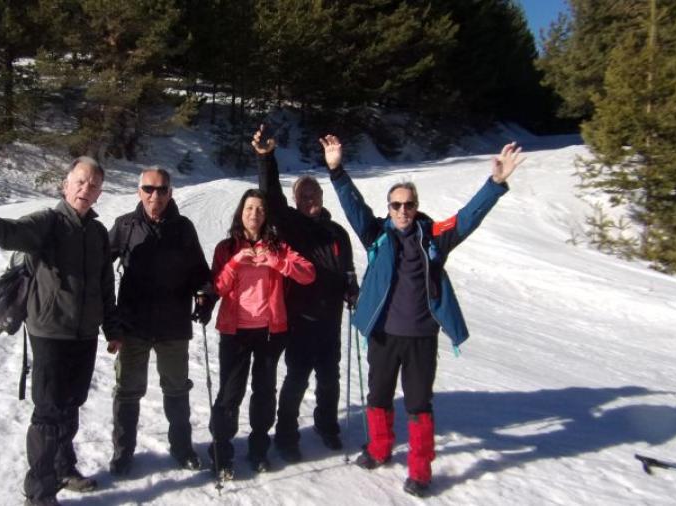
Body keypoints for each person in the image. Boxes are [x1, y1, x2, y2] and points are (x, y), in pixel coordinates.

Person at [319, 136, 525, 497]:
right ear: (389, 208)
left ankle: (419, 470)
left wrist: (495, 183)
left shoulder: (433, 237)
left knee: (418, 405)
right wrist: (336, 170)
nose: (402, 211)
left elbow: (467, 218)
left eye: (408, 205)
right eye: (396, 205)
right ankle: (379, 449)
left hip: (421, 338)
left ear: (416, 207)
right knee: (378, 397)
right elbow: (354, 207)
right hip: (383, 335)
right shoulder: (376, 235)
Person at [0, 157, 123, 506]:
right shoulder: (47, 222)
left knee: (72, 405)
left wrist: (112, 327)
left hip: (85, 334)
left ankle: (63, 468)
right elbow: (7, 233)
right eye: (80, 181)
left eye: (93, 185)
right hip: (50, 332)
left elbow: (105, 284)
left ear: (99, 192)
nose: (86, 189)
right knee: (49, 413)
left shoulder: (97, 233)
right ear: (66, 184)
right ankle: (39, 493)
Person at [250, 126, 357, 462]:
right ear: (296, 200)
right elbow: (271, 197)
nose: (310, 200)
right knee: (296, 378)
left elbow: (348, 268)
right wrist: (266, 158)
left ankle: (327, 425)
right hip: (301, 318)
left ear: (322, 197)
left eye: (314, 194)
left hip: (330, 319)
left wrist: (351, 286)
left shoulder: (337, 232)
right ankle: (286, 434)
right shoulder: (292, 225)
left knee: (329, 377)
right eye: (304, 196)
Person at [107, 167, 213, 476]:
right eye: (149, 189)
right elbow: (98, 266)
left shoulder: (183, 228)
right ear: (139, 191)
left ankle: (182, 447)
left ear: (171, 192)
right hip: (132, 326)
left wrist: (205, 295)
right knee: (127, 390)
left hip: (173, 326)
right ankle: (123, 453)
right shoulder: (125, 226)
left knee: (176, 389)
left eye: (162, 189)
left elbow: (200, 273)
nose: (156, 195)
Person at [207, 189, 316, 479]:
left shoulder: (278, 247)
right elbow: (217, 287)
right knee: (230, 393)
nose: (254, 214)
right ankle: (221, 453)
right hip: (235, 332)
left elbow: (308, 273)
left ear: (266, 215)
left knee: (265, 392)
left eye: (260, 209)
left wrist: (277, 262)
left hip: (270, 332)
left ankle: (258, 450)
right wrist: (234, 263)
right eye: (249, 208)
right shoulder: (226, 248)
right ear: (240, 212)